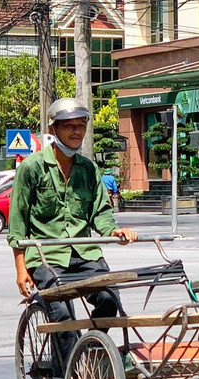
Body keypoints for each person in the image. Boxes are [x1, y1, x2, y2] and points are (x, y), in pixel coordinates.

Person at [9, 98, 138, 337]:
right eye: (69, 126)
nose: (77, 131)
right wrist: (21, 269)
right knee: (62, 314)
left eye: (81, 125)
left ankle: (91, 352)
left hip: (85, 254)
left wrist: (113, 231)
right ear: (53, 129)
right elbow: (17, 224)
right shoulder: (31, 168)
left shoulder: (88, 169)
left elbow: (100, 213)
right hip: (46, 257)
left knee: (110, 299)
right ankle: (66, 373)